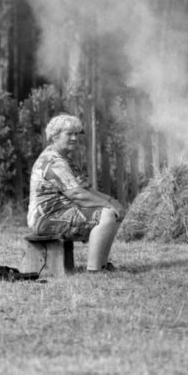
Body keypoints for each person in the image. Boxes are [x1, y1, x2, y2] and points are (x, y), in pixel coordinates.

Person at [27, 113, 125, 272]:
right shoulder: (53, 161)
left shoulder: (65, 160)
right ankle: (94, 270)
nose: (74, 138)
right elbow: (77, 195)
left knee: (113, 212)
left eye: (76, 134)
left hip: (61, 212)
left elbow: (86, 190)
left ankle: (102, 265)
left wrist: (112, 201)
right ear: (55, 137)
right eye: (69, 134)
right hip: (46, 219)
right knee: (106, 215)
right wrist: (108, 205)